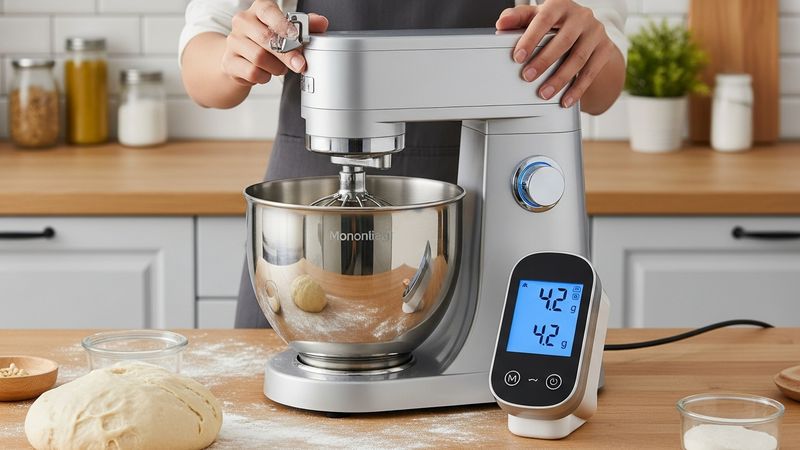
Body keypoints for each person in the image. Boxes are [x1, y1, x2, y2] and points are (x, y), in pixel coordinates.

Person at [179, 0, 628, 328]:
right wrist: (234, 56)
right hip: (306, 210)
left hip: (486, 195)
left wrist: (583, 44)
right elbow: (202, 64)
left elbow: (600, 90)